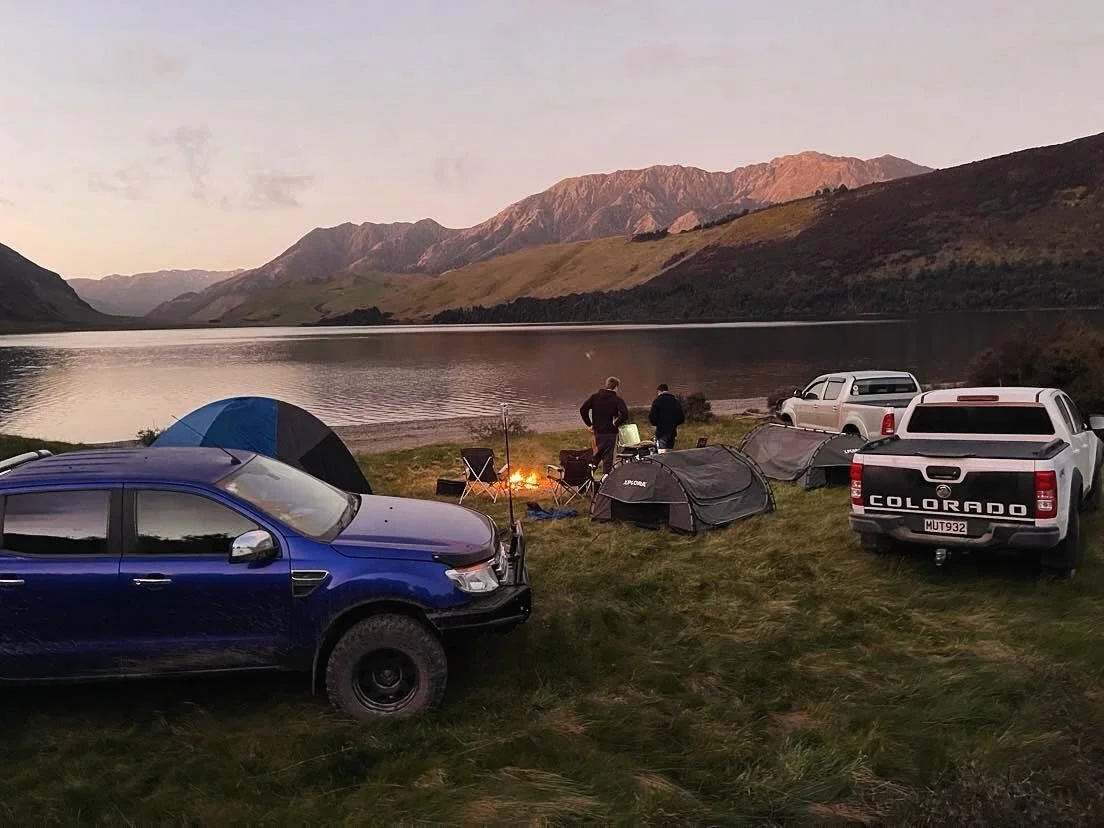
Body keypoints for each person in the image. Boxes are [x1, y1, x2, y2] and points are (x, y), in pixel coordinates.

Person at [579, 376, 629, 475]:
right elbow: (625, 414)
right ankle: (605, 484)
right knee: (608, 460)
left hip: (597, 433)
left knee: (595, 457)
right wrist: (616, 423)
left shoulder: (595, 397)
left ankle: (585, 482)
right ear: (616, 387)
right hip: (610, 434)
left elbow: (583, 409)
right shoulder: (617, 399)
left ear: (606, 386)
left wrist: (590, 424)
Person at [649, 383, 685, 453]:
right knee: (670, 453)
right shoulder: (675, 401)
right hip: (672, 432)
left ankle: (661, 463)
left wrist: (657, 424)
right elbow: (681, 418)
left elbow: (652, 418)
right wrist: (674, 424)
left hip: (661, 432)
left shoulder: (657, 401)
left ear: (659, 391)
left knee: (662, 453)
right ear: (667, 391)